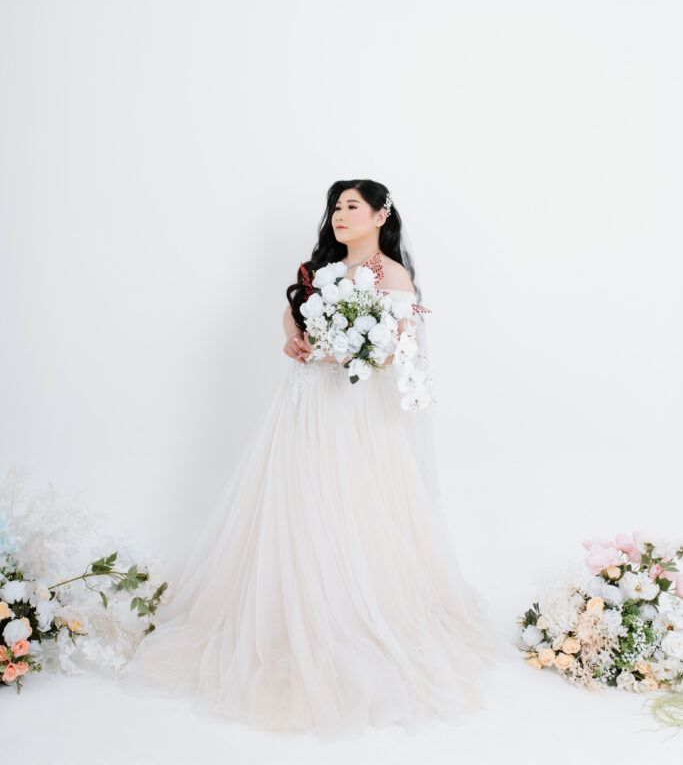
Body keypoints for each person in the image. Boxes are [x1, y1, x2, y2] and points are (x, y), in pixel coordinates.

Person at [117, 178, 515, 739]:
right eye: (335, 207)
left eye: (352, 206)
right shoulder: (320, 269)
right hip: (303, 405)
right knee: (296, 506)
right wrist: (294, 338)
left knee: (354, 511)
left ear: (380, 216)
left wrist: (347, 349)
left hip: (355, 414)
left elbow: (398, 347)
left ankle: (351, 625)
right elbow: (294, 311)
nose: (339, 215)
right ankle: (289, 619)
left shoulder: (392, 275)